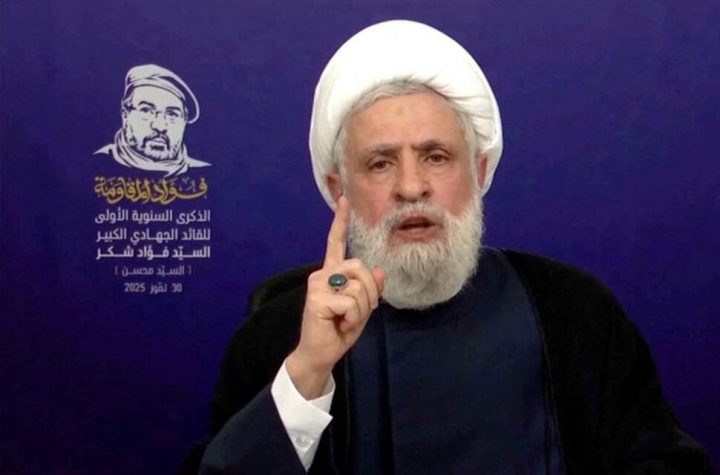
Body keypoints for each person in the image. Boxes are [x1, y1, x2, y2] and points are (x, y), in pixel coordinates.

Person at [185, 20, 710, 474]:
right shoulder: (280, 336)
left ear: (478, 171)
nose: (411, 187)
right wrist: (305, 377)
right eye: (380, 163)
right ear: (339, 189)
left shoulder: (573, 312)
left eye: (436, 156)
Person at [95, 64, 210, 176]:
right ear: (125, 116)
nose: (160, 126)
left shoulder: (203, 174)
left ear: (184, 122)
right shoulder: (96, 164)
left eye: (172, 114)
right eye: (146, 111)